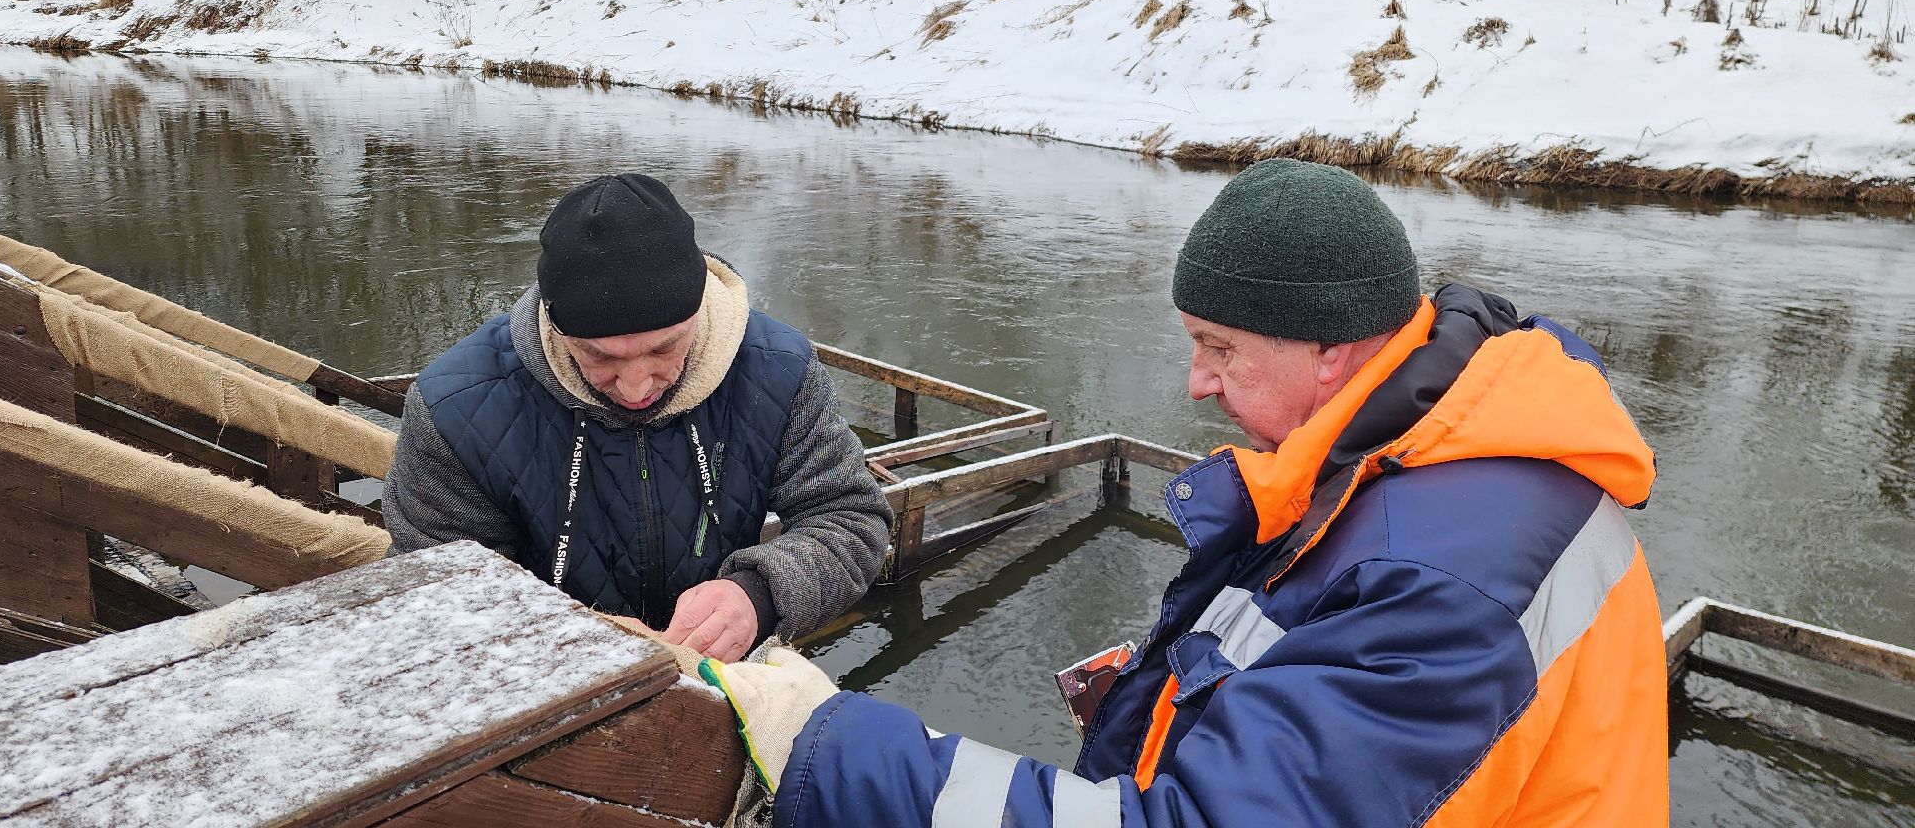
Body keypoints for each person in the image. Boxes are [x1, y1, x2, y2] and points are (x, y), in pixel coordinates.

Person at [702, 158, 1669, 826]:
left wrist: (826, 741)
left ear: (1332, 350)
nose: (1197, 382)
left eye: (1220, 348)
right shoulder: (1415, 460)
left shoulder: (1442, 578)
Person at [383, 172, 894, 663]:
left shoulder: (781, 371)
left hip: (723, 681)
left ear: (697, 309)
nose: (636, 388)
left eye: (665, 348)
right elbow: (435, 594)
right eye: (599, 357)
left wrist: (759, 595)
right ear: (556, 327)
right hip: (542, 698)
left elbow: (851, 519)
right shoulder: (452, 410)